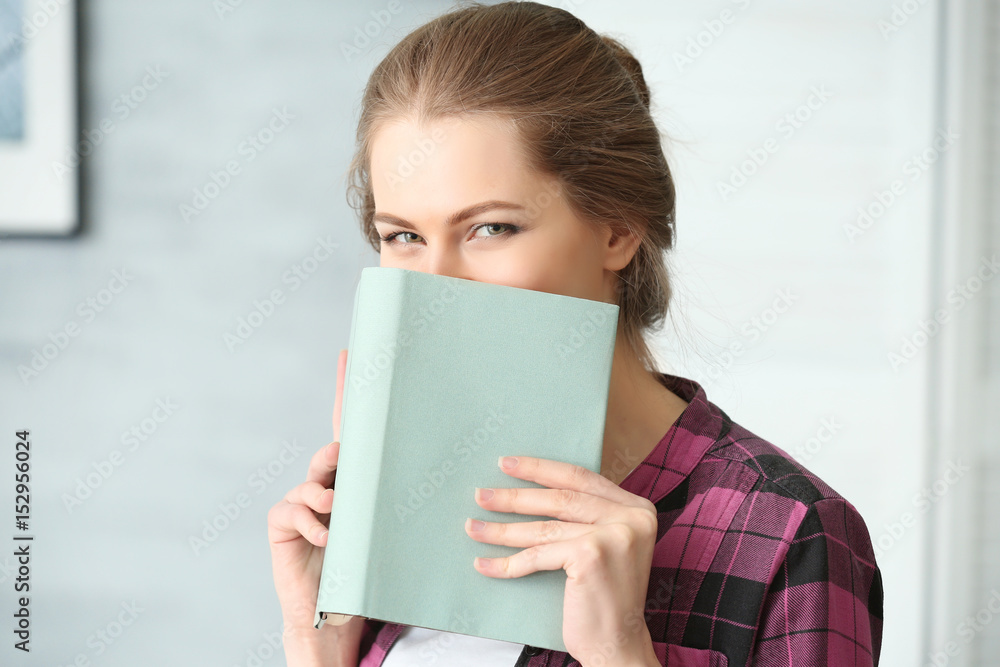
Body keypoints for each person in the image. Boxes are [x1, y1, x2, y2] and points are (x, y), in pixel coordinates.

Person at [267, 2, 884, 665]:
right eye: (404, 237)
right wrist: (315, 642)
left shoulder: (790, 532)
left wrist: (622, 651)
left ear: (616, 227)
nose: (434, 284)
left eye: (490, 228)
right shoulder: (385, 509)